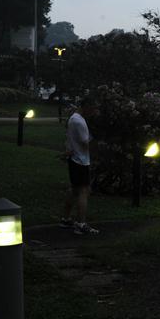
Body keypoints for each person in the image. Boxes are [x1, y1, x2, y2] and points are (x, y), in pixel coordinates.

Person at [60, 96, 99, 235]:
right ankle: (81, 224)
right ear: (86, 106)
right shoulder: (79, 121)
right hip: (81, 160)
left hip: (75, 158)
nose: (94, 111)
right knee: (84, 191)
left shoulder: (74, 118)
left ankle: (66, 219)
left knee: (74, 189)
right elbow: (85, 142)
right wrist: (98, 150)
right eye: (93, 108)